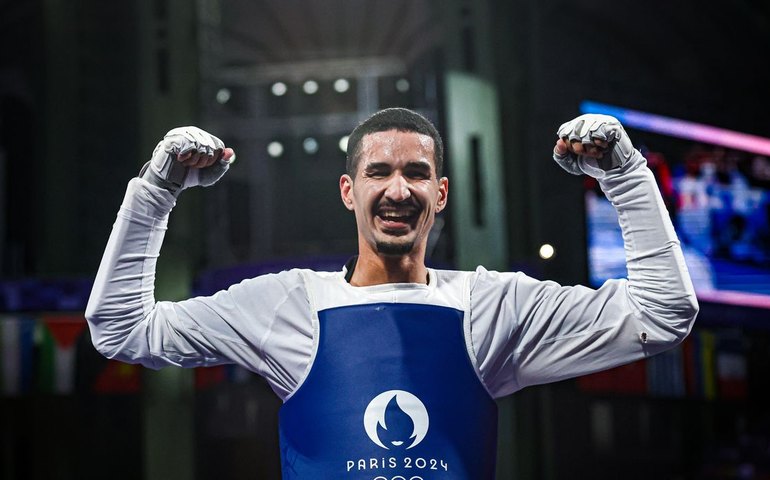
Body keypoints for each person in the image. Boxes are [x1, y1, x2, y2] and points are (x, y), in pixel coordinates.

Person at [86, 108, 698, 479]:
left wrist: (624, 175)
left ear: (442, 193)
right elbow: (120, 328)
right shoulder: (288, 304)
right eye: (379, 172)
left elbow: (663, 315)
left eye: (416, 173)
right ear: (350, 191)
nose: (398, 189)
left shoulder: (492, 307)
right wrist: (156, 190)